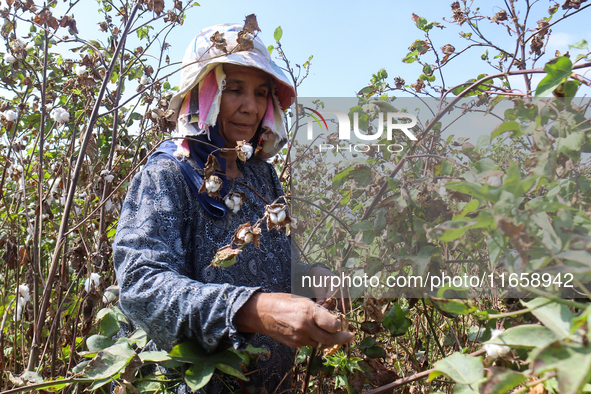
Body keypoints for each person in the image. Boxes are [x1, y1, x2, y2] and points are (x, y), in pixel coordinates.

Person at [112, 21, 353, 393]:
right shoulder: (168, 174)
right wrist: (253, 310)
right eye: (233, 90)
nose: (251, 107)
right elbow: (142, 288)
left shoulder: (263, 177)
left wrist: (313, 277)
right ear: (203, 94)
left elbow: (276, 263)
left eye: (260, 93)